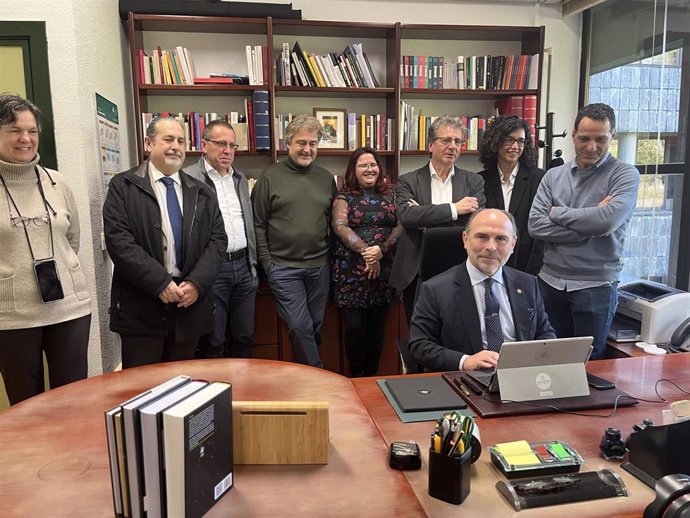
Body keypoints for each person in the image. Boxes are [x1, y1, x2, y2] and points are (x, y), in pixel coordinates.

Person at [103, 116, 226, 368]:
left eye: (181, 140)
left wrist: (196, 283)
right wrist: (160, 283)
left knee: (181, 386)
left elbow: (217, 241)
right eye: (168, 139)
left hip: (187, 304)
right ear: (149, 144)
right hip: (142, 305)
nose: (176, 146)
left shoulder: (202, 191)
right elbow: (119, 241)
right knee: (141, 389)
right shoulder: (123, 187)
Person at [528, 103, 640, 360]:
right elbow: (535, 225)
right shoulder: (553, 176)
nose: (592, 147)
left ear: (613, 136)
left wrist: (557, 213)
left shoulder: (624, 175)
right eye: (584, 138)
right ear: (573, 136)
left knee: (589, 365)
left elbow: (606, 222)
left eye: (601, 139)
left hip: (596, 286)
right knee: (547, 360)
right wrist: (588, 225)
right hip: (549, 282)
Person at [0, 94, 91, 404]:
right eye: (14, 130)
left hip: (69, 310)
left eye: (32, 131)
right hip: (13, 316)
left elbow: (73, 238)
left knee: (73, 399)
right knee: (26, 406)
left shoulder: (57, 182)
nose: (25, 139)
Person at [409, 208, 555, 372]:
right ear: (466, 239)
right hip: (466, 379)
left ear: (513, 244)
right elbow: (420, 345)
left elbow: (545, 333)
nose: (491, 247)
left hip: (520, 375)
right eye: (482, 237)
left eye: (501, 239)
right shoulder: (435, 289)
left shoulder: (528, 283)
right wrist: (465, 361)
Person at [252, 115, 336, 368]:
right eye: (301, 142)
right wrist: (269, 264)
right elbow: (257, 224)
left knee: (314, 327)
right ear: (287, 143)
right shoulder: (269, 177)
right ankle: (319, 376)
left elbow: (331, 221)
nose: (307, 149)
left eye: (313, 143)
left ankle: (305, 377)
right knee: (300, 327)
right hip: (283, 268)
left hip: (319, 267)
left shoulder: (325, 178)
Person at [390, 116, 485, 323]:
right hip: (416, 271)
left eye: (458, 142)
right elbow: (407, 217)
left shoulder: (474, 181)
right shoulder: (408, 180)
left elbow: (476, 224)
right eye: (446, 140)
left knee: (456, 331)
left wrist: (423, 215)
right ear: (431, 145)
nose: (453, 146)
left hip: (459, 267)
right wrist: (455, 209)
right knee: (419, 333)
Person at [186, 120, 257, 358]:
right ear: (204, 145)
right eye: (221, 144)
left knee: (244, 337)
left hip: (244, 268)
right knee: (213, 340)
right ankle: (217, 393)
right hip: (212, 269)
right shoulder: (189, 179)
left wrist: (253, 266)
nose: (228, 150)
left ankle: (244, 391)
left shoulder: (239, 178)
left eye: (232, 145)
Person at [332, 147, 403, 377]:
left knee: (377, 329)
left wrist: (380, 251)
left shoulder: (392, 193)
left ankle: (370, 378)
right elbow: (340, 226)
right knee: (355, 329)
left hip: (384, 271)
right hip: (352, 272)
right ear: (354, 169)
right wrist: (368, 252)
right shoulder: (344, 196)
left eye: (373, 165)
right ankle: (356, 378)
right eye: (363, 165)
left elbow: (402, 224)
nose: (369, 169)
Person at [478, 115, 544, 274]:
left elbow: (542, 234)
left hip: (527, 265)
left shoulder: (539, 178)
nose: (515, 146)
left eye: (521, 141)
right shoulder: (481, 180)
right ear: (496, 141)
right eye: (509, 140)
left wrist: (533, 272)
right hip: (490, 261)